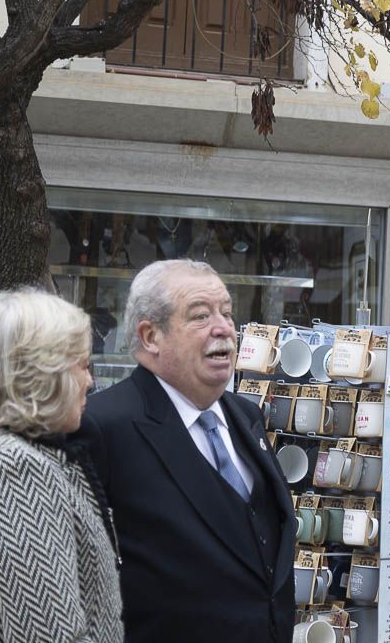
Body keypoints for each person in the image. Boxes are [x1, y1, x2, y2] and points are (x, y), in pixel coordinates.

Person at [70, 260, 296, 643]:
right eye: (200, 316)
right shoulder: (102, 426)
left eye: (227, 312)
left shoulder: (246, 416)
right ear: (151, 336)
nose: (224, 328)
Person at [0, 290, 123, 643]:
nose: (90, 381)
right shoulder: (17, 467)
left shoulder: (40, 453)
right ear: (41, 373)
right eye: (82, 365)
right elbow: (47, 634)